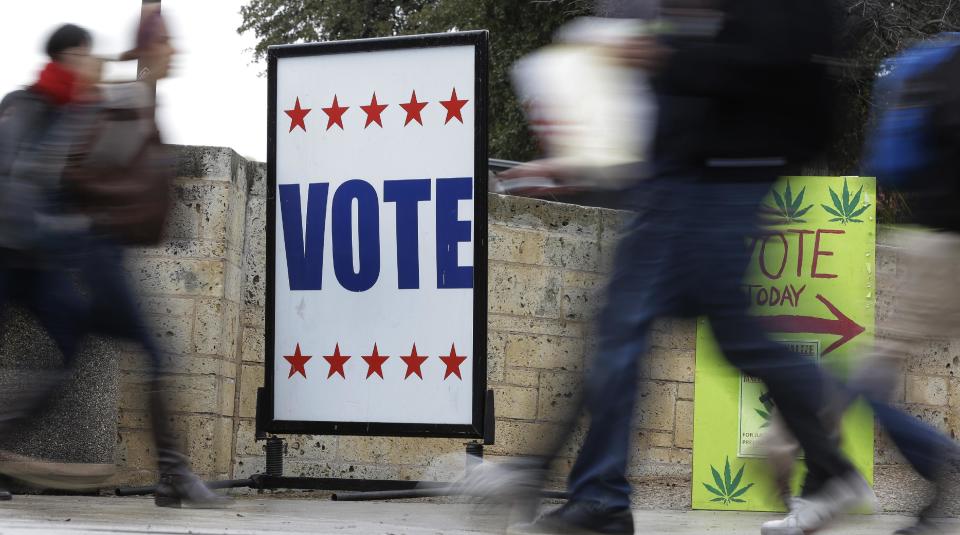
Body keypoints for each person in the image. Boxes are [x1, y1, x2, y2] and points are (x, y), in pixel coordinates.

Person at [507, 1, 874, 534]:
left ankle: (596, 498)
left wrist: (661, 55)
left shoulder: (770, 20)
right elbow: (689, 93)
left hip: (723, 177)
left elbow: (765, 63)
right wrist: (590, 161)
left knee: (632, 331)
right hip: (695, 176)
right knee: (716, 336)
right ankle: (831, 467)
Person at [0, 17, 229, 509]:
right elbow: (34, 180)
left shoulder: (93, 108)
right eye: (84, 55)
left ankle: (172, 473)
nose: (93, 63)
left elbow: (138, 89)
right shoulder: (60, 112)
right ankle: (173, 474)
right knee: (142, 352)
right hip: (65, 256)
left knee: (71, 356)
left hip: (71, 259)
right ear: (69, 60)